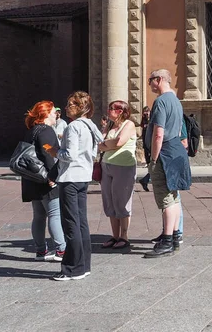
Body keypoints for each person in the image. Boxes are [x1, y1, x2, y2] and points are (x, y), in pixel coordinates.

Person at [46, 91, 103, 281]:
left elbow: (69, 155)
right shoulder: (91, 126)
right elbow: (94, 151)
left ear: (80, 107)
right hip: (83, 176)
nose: (67, 106)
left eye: (71, 104)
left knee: (70, 223)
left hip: (70, 177)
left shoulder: (73, 127)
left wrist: (56, 151)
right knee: (81, 222)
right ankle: (84, 265)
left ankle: (72, 268)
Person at [143, 69, 191, 258]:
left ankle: (167, 240)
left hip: (165, 153)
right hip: (177, 151)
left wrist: (154, 159)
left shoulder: (161, 101)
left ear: (160, 79)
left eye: (150, 80)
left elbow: (159, 133)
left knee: (166, 199)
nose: (150, 84)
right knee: (175, 196)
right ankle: (176, 236)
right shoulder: (176, 101)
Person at [22, 100, 66, 261]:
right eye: (54, 111)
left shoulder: (31, 130)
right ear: (46, 114)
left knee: (39, 215)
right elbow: (48, 155)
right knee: (54, 213)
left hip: (32, 178)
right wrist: (53, 176)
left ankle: (41, 250)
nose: (56, 114)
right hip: (46, 178)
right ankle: (61, 249)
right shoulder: (46, 130)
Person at [98, 100, 137, 250]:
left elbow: (119, 142)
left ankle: (124, 236)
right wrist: (108, 143)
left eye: (111, 109)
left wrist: (107, 144)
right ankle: (115, 236)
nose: (108, 111)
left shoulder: (129, 125)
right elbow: (99, 143)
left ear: (120, 111)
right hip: (106, 166)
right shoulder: (109, 125)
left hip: (124, 167)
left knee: (122, 201)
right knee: (109, 201)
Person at [139, 107, 152, 191]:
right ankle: (145, 180)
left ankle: (145, 180)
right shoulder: (144, 121)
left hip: (151, 146)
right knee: (153, 167)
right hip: (147, 147)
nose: (146, 114)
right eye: (145, 112)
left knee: (154, 167)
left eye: (147, 112)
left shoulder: (152, 121)